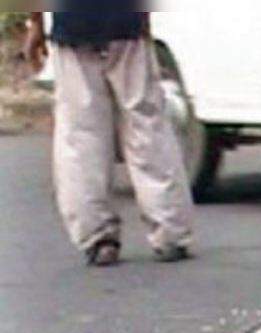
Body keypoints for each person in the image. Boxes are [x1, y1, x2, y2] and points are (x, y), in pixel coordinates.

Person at [22, 5, 195, 266]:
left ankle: (96, 235)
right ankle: (169, 229)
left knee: (81, 132)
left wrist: (35, 24)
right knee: (146, 123)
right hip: (126, 21)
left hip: (72, 22)